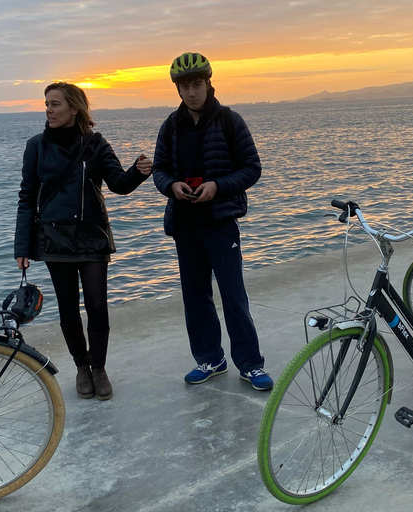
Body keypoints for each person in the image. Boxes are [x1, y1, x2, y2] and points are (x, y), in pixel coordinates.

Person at [14, 82, 152, 401]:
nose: (48, 110)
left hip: (92, 237)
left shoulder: (96, 144)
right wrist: (22, 247)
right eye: (46, 104)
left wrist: (138, 172)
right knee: (68, 310)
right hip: (54, 240)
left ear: (74, 108)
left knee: (97, 307)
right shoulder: (36, 146)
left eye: (55, 104)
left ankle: (99, 368)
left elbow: (118, 184)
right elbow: (26, 198)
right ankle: (81, 367)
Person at [152, 52, 272, 391]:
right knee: (195, 296)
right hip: (185, 224)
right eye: (185, 86)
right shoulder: (170, 126)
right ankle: (210, 359)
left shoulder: (230, 121)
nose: (191, 92)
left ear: (209, 84)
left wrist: (218, 186)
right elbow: (160, 170)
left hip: (220, 222)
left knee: (234, 295)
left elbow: (252, 168)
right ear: (178, 90)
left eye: (197, 84)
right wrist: (170, 186)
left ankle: (250, 364)